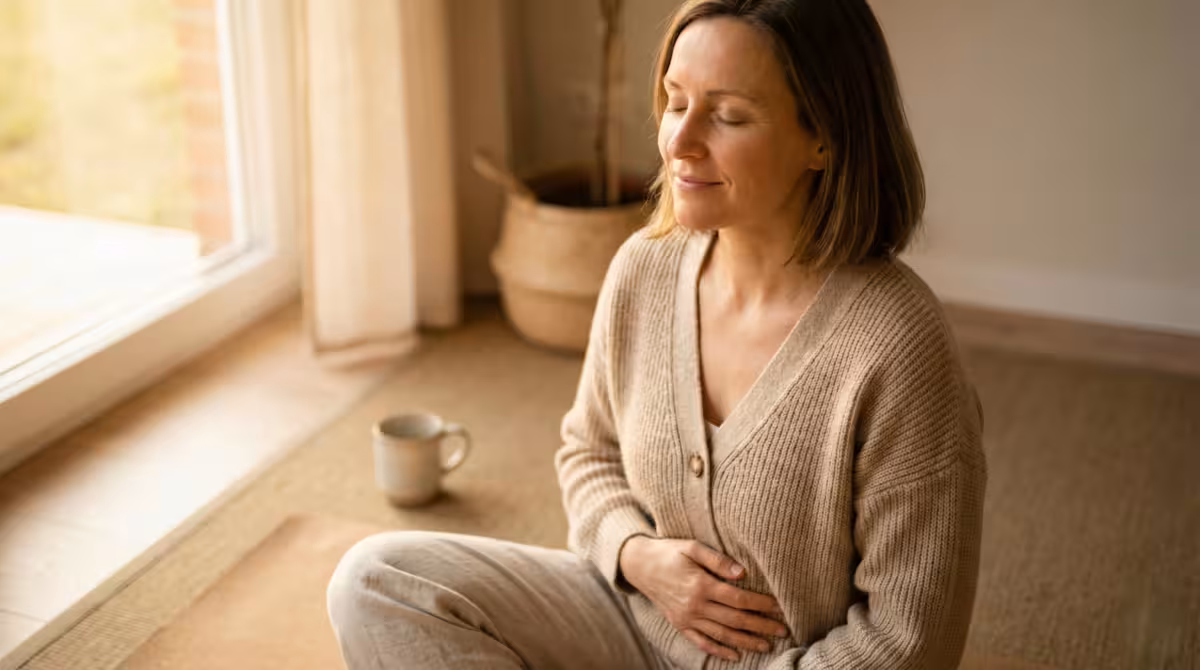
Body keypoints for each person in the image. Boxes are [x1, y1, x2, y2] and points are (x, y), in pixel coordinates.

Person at [325, 0, 986, 668]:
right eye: (675, 103)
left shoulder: (899, 349)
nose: (679, 141)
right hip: (628, 613)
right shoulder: (645, 267)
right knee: (376, 582)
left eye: (727, 115)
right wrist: (635, 555)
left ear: (825, 138)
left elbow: (908, 641)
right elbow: (589, 452)